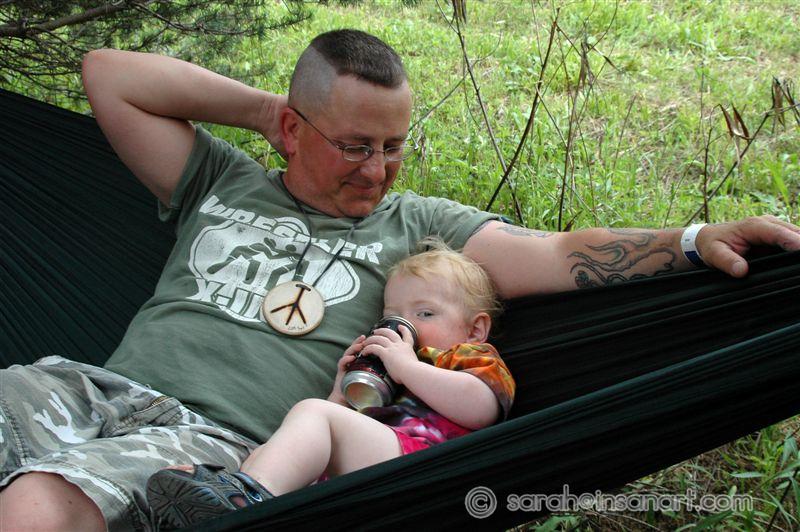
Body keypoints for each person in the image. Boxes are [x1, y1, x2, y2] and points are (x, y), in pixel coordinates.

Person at [1, 28, 798, 532]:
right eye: (354, 145)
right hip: (83, 386)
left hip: (210, 438)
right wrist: (273, 113)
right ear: (292, 129)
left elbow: (560, 253)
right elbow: (108, 72)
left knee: (37, 505)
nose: (377, 170)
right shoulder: (218, 178)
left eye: (392, 145)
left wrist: (693, 240)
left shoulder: (419, 228)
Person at [145, 239, 515, 529]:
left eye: (425, 313)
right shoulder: (391, 368)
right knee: (278, 446)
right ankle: (237, 495)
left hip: (425, 468)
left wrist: (406, 367)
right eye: (391, 316)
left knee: (313, 413)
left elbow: (482, 408)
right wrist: (342, 392)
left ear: (475, 328)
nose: (405, 325)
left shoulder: (467, 355)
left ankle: (248, 502)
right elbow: (341, 434)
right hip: (368, 469)